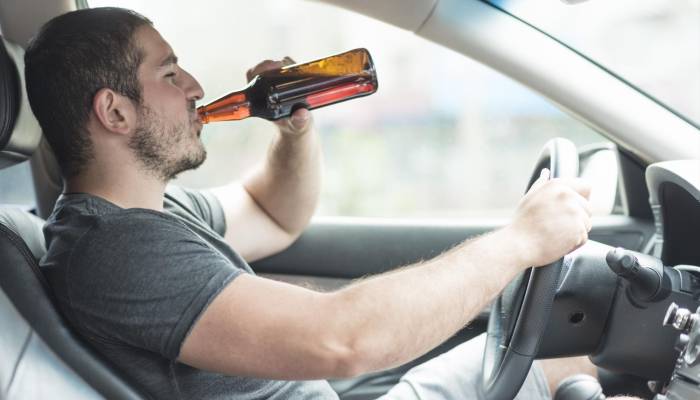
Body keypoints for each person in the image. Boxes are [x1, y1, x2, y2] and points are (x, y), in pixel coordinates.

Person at [25, 6, 630, 400]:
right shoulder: (117, 251)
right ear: (115, 111)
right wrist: (520, 241)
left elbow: (274, 214)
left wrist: (295, 131)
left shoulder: (154, 212)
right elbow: (341, 340)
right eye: (170, 73)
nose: (197, 89)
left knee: (574, 350)